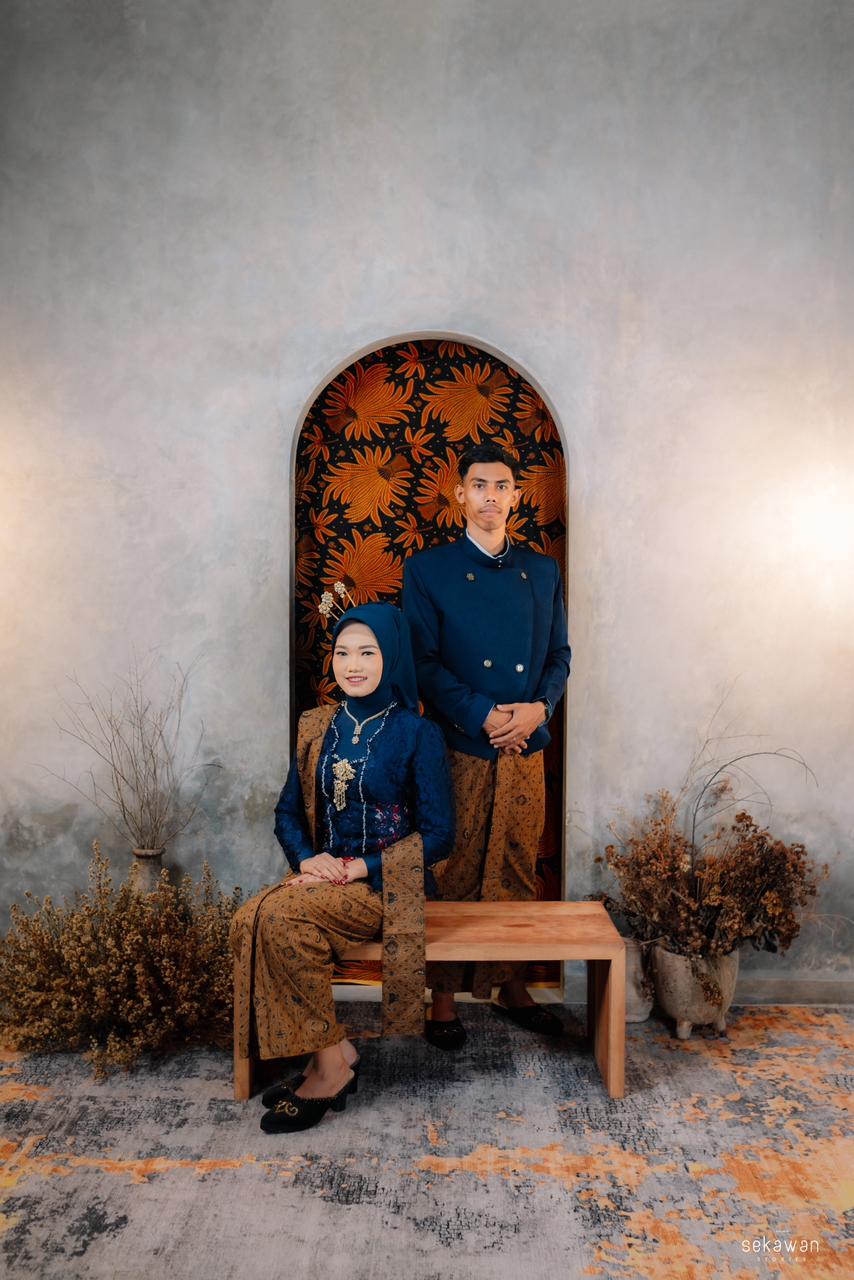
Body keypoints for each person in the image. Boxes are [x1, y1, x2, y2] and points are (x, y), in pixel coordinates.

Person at [230, 603, 454, 1132]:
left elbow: (440, 835)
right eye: (343, 653)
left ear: (391, 656)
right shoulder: (317, 726)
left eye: (368, 653)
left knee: (280, 920)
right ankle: (333, 1052)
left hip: (385, 887)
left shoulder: (417, 733)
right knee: (249, 919)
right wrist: (309, 859)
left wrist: (360, 867)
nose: (353, 665)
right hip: (321, 880)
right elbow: (287, 812)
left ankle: (330, 1070)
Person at [402, 442, 571, 1049]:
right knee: (456, 864)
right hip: (460, 744)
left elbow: (559, 655)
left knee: (517, 864)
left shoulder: (542, 571)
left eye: (501, 486)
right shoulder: (429, 570)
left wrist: (537, 709)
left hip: (526, 743)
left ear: (516, 497)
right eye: (479, 486)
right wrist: (483, 714)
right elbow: (422, 663)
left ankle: (511, 984)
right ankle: (443, 998)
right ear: (460, 495)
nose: (490, 496)